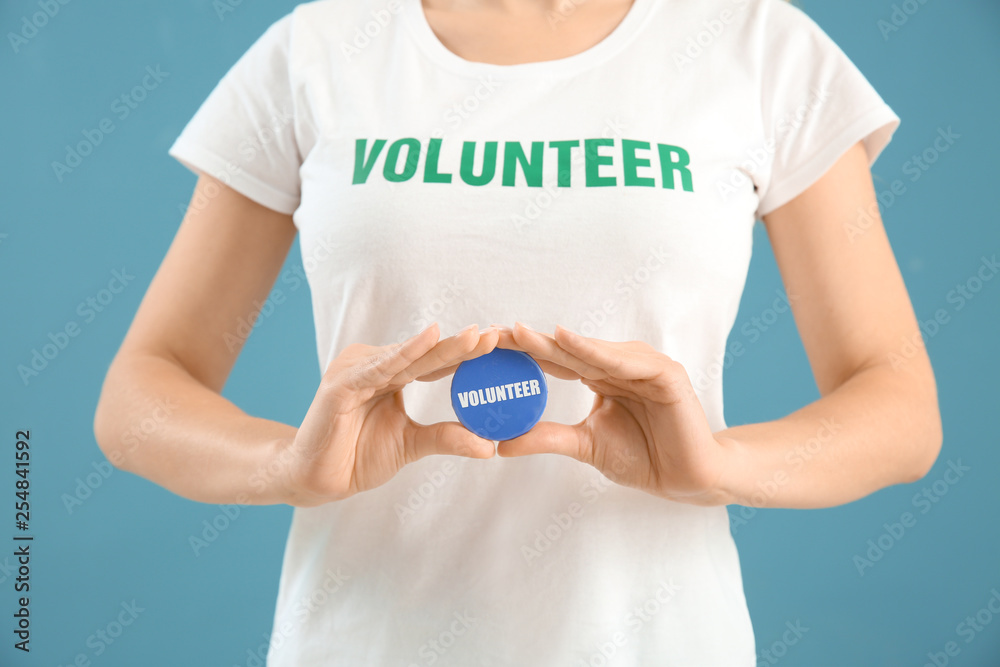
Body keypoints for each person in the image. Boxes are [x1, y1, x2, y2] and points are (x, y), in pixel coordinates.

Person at [93, 0, 942, 664]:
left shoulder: (763, 47)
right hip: (358, 643)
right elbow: (142, 389)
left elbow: (898, 404)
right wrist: (284, 466)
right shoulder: (316, 47)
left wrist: (721, 464)